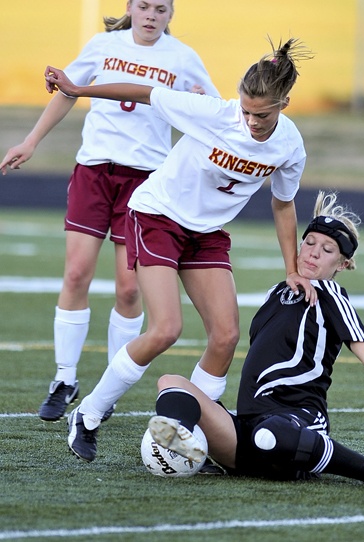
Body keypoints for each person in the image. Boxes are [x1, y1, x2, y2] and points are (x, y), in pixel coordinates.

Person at [45, 37, 318, 462]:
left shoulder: (290, 145)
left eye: (261, 114)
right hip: (157, 217)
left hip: (206, 233)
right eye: (245, 110)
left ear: (284, 102)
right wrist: (79, 91)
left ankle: (189, 431)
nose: (250, 121)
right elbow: (143, 92)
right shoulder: (214, 112)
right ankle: (89, 414)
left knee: (226, 336)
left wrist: (293, 268)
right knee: (165, 328)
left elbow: (282, 204)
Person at [0, 0, 219, 422]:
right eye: (144, 7)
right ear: (130, 8)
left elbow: (215, 113)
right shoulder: (103, 44)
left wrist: (196, 100)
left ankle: (108, 388)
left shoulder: (183, 58)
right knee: (77, 273)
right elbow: (68, 91)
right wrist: (31, 141)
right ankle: (64, 378)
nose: (151, 15)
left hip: (145, 183)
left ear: (171, 14)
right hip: (94, 172)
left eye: (160, 8)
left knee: (129, 289)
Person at [146, 191, 364, 488]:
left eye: (327, 250)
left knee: (272, 436)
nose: (314, 252)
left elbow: (363, 347)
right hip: (246, 427)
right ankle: (181, 441)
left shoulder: (331, 295)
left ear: (342, 264)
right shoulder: (276, 292)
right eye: (310, 242)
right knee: (170, 383)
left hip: (296, 419)